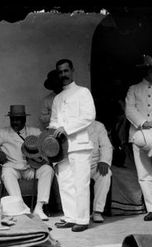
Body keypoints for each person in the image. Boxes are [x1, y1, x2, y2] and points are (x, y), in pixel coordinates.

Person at [0, 105, 55, 220]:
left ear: (24, 119)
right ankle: (22, 207)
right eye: (13, 119)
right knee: (7, 172)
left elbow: (47, 143)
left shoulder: (34, 131)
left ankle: (39, 208)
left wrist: (42, 156)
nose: (15, 122)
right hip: (13, 167)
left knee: (48, 170)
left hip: (32, 168)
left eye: (18, 119)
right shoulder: (3, 133)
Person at [49, 59, 96, 232]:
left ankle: (82, 220)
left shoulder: (83, 92)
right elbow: (54, 120)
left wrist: (66, 128)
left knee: (80, 182)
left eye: (66, 71)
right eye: (60, 72)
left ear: (72, 70)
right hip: (62, 148)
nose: (64, 75)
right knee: (65, 182)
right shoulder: (58, 98)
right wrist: (54, 130)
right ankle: (70, 216)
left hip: (80, 144)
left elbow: (89, 116)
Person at [125, 55, 152, 221]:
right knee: (144, 173)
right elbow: (130, 110)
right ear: (144, 71)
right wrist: (144, 123)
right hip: (139, 136)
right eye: (151, 70)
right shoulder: (134, 89)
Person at [88, 120, 113, 223]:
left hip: (94, 163)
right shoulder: (69, 123)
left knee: (105, 175)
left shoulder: (98, 125)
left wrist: (104, 161)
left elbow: (106, 145)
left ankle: (97, 211)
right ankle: (75, 213)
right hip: (75, 164)